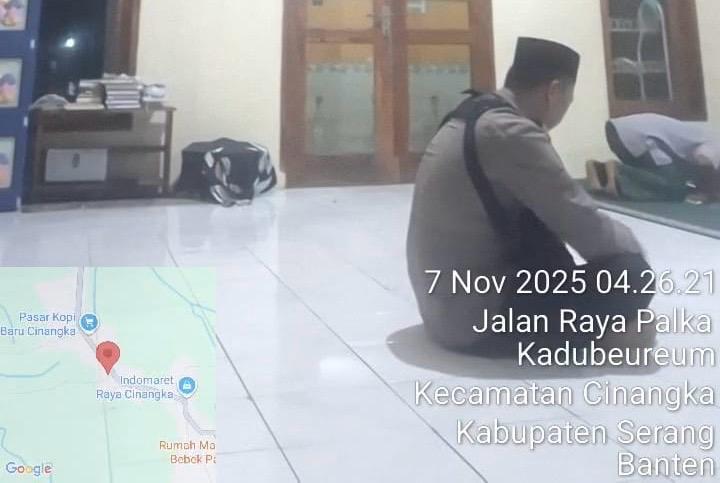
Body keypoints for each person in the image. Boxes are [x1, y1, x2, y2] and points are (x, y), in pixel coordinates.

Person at [406, 37, 654, 355]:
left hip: (444, 304)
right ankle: (605, 339)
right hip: (473, 319)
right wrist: (635, 250)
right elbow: (584, 225)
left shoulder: (473, 114)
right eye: (568, 100)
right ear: (553, 92)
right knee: (632, 276)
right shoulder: (511, 132)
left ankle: (594, 332)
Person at [587, 114, 720, 203]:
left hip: (620, 129)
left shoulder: (704, 135)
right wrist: (708, 193)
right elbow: (704, 159)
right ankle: (618, 171)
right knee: (674, 185)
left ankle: (602, 172)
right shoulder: (716, 144)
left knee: (652, 176)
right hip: (642, 136)